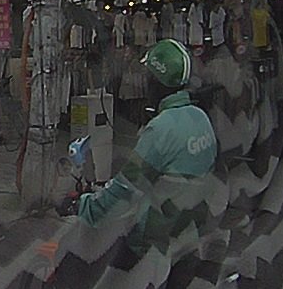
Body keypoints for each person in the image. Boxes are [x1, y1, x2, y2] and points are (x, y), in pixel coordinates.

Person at [75, 38, 217, 258]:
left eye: (148, 77)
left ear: (156, 80)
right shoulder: (201, 118)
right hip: (191, 230)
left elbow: (125, 190)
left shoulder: (161, 129)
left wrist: (84, 206)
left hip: (154, 240)